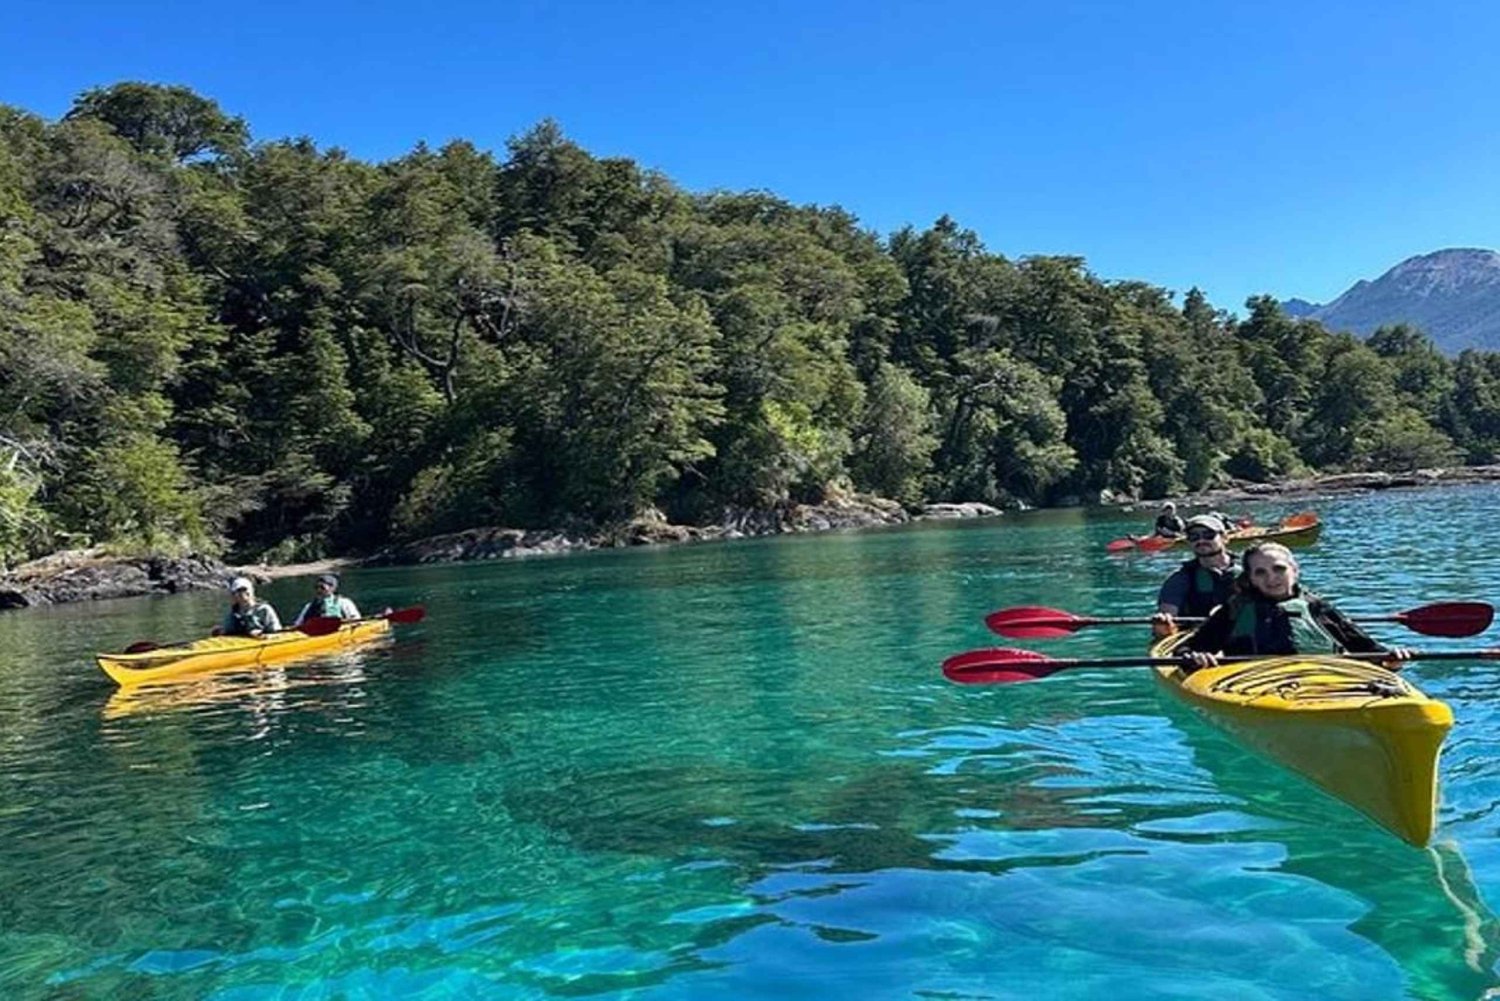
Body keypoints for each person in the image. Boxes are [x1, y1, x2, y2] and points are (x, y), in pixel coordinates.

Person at [1181, 542, 1410, 669]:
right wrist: (1196, 659)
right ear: (1250, 578)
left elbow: (1367, 648)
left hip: (1324, 680)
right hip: (1255, 684)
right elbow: (1187, 651)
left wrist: (1391, 659)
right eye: (1260, 572)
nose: (1271, 578)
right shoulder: (1235, 610)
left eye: (1279, 569)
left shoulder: (1317, 607)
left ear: (1294, 570)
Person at [1153, 514, 1236, 634]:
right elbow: (1166, 619)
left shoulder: (1249, 573)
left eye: (1208, 535)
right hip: (1196, 642)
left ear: (1224, 537)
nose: (1201, 540)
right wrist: (1163, 625)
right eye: (1194, 537)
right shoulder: (1178, 580)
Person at [292, 573, 361, 627]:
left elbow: (356, 620)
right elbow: (297, 624)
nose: (319, 590)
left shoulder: (344, 602)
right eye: (317, 587)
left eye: (322, 587)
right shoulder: (309, 606)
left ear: (332, 588)